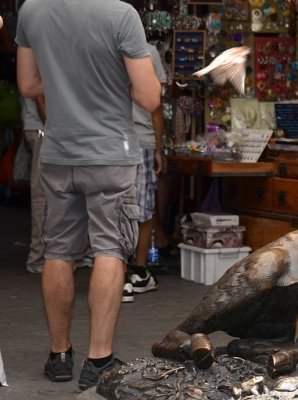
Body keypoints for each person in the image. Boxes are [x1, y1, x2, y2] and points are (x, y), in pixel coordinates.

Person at [15, 0, 161, 390]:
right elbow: (150, 98)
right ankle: (98, 359)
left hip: (60, 151)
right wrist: (109, 80)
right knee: (109, 249)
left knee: (58, 251)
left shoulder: (32, 10)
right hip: (110, 154)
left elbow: (28, 85)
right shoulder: (120, 14)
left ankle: (59, 355)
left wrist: (71, 82)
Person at [123, 41, 166, 303]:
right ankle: (138, 270)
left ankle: (118, 270)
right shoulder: (148, 52)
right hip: (140, 140)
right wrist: (159, 148)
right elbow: (155, 104)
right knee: (143, 210)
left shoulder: (99, 46)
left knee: (112, 209)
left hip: (107, 141)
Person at [20, 95, 45, 274]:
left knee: (45, 193)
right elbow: (39, 93)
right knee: (42, 194)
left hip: (40, 126)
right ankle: (39, 256)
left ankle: (42, 255)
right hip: (43, 127)